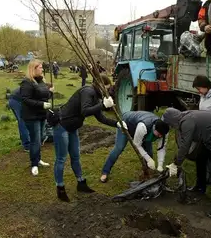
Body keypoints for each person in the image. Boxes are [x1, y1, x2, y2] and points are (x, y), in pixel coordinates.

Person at [53, 74, 125, 202]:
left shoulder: (96, 97)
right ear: (99, 85)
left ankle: (81, 183)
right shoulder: (87, 91)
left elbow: (100, 118)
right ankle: (60, 188)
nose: (107, 91)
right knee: (61, 158)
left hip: (72, 128)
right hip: (62, 126)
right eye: (106, 88)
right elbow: (85, 111)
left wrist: (117, 124)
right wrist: (102, 105)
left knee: (75, 156)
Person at [163, 108, 211, 218]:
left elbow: (185, 145)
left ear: (172, 121)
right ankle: (200, 187)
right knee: (200, 158)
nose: (171, 127)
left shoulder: (187, 122)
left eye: (170, 124)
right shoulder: (184, 117)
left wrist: (176, 163)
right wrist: (178, 157)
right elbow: (186, 143)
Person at [100, 111, 170, 183]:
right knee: (119, 148)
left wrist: (160, 165)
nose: (160, 136)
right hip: (126, 124)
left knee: (149, 152)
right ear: (154, 128)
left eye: (162, 135)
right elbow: (137, 145)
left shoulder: (163, 131)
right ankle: (105, 172)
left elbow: (161, 148)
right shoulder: (143, 127)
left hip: (143, 130)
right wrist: (149, 159)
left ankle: (147, 173)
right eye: (159, 134)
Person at [20, 59, 53, 176]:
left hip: (41, 115)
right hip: (31, 116)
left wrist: (50, 92)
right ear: (33, 69)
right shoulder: (27, 82)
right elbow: (25, 99)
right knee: (35, 140)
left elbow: (44, 96)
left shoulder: (41, 81)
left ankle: (38, 159)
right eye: (40, 67)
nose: (42, 69)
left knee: (41, 138)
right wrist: (42, 105)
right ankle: (34, 164)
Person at [8, 87, 30, 152]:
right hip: (18, 101)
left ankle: (24, 141)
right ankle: (27, 146)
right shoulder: (38, 89)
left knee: (21, 122)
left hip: (12, 99)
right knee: (23, 123)